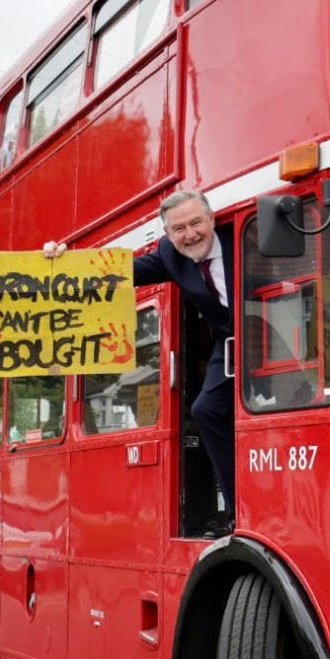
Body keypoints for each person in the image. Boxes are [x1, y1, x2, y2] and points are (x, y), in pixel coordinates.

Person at [131, 189, 235, 535]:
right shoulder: (170, 256)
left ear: (211, 219)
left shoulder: (239, 236)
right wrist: (59, 260)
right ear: (168, 233)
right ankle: (240, 510)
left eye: (195, 223)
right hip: (230, 340)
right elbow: (115, 272)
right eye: (178, 229)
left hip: (273, 329)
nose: (190, 235)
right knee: (206, 410)